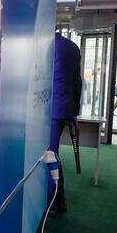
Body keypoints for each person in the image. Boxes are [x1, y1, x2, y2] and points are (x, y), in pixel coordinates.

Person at [49, 32, 82, 214]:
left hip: (50, 109)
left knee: (50, 155)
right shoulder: (71, 46)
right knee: (53, 153)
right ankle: (57, 200)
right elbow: (77, 81)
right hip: (65, 109)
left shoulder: (47, 46)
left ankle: (54, 202)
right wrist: (74, 113)